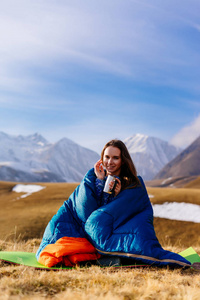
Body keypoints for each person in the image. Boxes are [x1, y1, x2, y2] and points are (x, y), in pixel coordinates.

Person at [36, 139, 192, 269]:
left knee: (122, 240)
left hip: (111, 230)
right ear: (101, 159)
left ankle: (103, 255)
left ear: (123, 160)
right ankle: (98, 255)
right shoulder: (94, 177)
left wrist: (116, 197)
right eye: (107, 157)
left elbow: (117, 213)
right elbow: (82, 208)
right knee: (57, 227)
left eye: (115, 158)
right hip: (82, 228)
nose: (110, 162)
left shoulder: (132, 184)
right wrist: (98, 183)